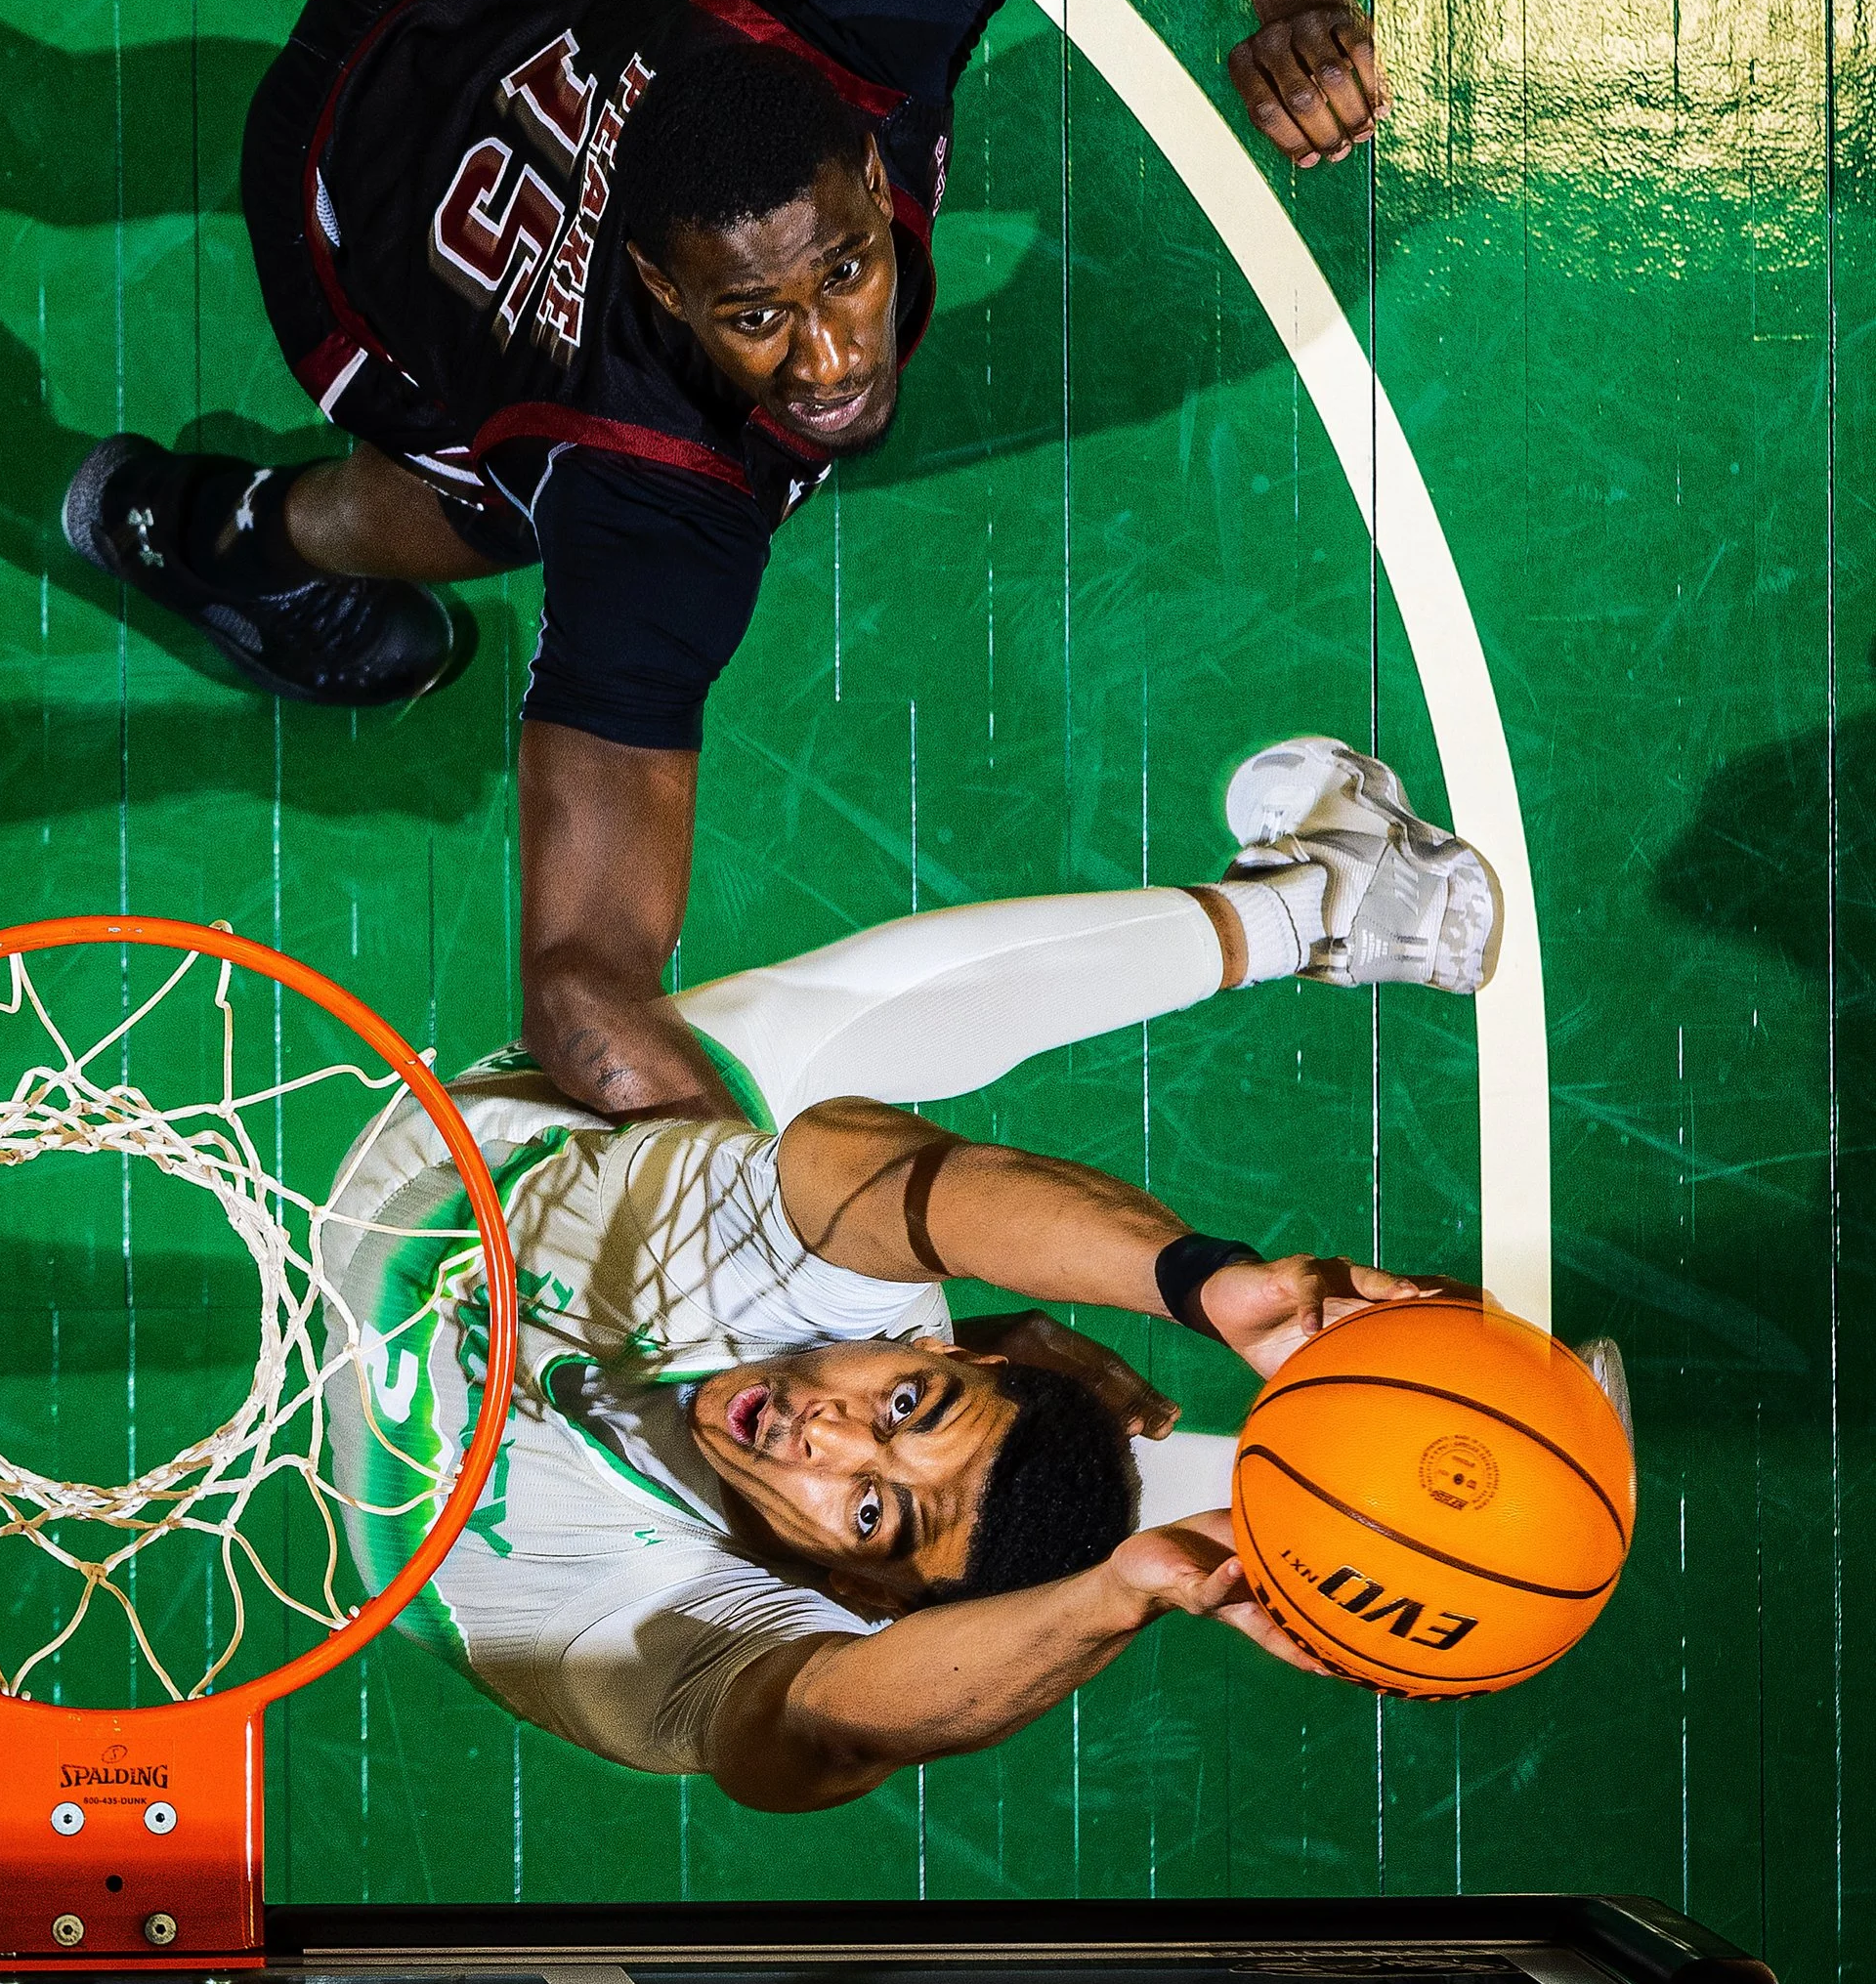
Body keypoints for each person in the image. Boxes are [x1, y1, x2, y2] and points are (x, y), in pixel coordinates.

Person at [63, 0, 1390, 1121]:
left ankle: (216, 520)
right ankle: (219, 531)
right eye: (754, 319)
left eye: (846, 272)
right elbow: (579, 979)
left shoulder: (866, 32)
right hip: (342, 186)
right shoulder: (652, 505)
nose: (829, 360)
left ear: (872, 167)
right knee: (489, 501)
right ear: (661, 288)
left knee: (550, 454)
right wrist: (742, 1202)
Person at [315, 739, 1508, 1815]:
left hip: (390, 1311)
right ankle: (1327, 905)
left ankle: (1416, 1477)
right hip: (461, 1164)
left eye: (870, 1512)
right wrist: (1200, 1281)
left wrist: (1117, 1593)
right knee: (771, 1082)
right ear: (948, 1350)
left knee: (663, 1036)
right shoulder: (777, 1291)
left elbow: (822, 1726)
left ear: (861, 1596)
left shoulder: (649, 1633)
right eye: (905, 1402)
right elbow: (901, 1181)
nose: (826, 1434)